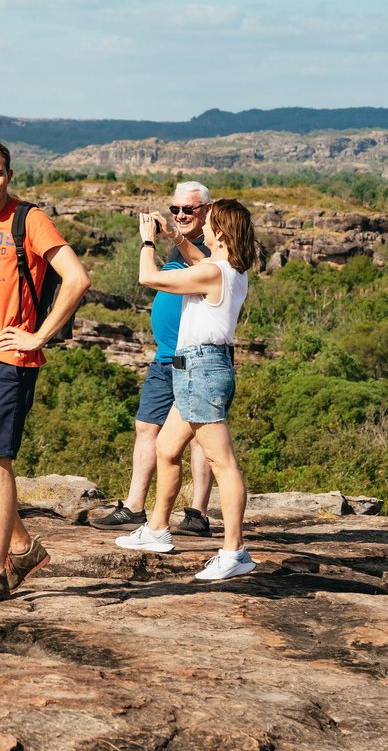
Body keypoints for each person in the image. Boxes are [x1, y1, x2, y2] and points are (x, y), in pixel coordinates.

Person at [0, 136, 91, 604]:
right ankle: (25, 547)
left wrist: (38, 335)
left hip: (13, 357)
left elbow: (78, 277)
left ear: (9, 175)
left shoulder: (31, 219)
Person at [115, 198, 259, 582]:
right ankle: (157, 530)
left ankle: (235, 552)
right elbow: (198, 258)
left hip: (201, 370)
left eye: (208, 222)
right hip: (198, 368)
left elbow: (149, 278)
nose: (204, 227)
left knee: (222, 462)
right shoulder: (229, 268)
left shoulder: (213, 271)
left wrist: (148, 242)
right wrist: (177, 237)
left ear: (222, 234)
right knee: (165, 447)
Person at [90, 183, 217, 537]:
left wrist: (163, 238)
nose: (180, 216)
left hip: (195, 358)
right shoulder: (183, 247)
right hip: (164, 357)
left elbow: (199, 267)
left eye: (188, 210)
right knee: (146, 427)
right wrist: (169, 238)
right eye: (175, 209)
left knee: (198, 436)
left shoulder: (215, 247)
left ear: (208, 209)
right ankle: (134, 507)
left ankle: (197, 513)